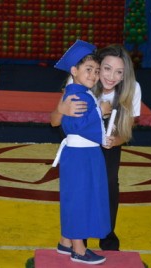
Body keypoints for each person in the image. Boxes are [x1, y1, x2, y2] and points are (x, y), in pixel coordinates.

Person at [51, 44, 141, 251]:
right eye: (106, 69)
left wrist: (115, 141)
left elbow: (127, 129)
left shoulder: (132, 88)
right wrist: (62, 109)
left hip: (109, 143)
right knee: (79, 192)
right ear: (97, 66)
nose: (111, 76)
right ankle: (77, 242)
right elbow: (55, 121)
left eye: (119, 72)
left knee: (108, 189)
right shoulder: (84, 80)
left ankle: (108, 241)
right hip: (81, 147)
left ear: (125, 74)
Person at [51, 40, 112, 265]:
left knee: (77, 196)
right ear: (74, 71)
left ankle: (66, 242)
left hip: (82, 155)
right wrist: (100, 111)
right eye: (89, 69)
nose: (94, 75)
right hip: (80, 156)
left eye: (96, 71)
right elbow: (75, 125)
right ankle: (78, 249)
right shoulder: (78, 95)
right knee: (79, 199)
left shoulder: (79, 91)